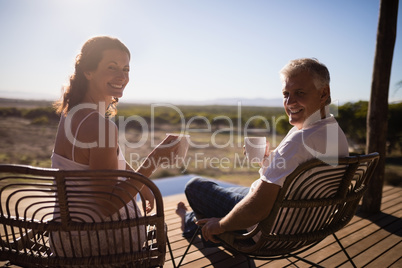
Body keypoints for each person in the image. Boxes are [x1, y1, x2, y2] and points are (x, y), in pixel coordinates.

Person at [176, 58, 349, 243]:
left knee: (195, 186)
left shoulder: (301, 140)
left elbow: (256, 209)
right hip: (305, 222)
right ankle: (191, 218)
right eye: (286, 94)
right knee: (225, 190)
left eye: (299, 93)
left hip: (268, 227)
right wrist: (269, 159)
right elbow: (294, 172)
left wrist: (220, 225)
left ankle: (193, 224)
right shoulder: (333, 132)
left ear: (324, 93)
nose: (290, 102)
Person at [51, 36, 182, 257]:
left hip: (64, 237)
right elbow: (107, 206)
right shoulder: (100, 126)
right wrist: (154, 160)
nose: (122, 76)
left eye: (126, 69)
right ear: (88, 71)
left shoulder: (70, 115)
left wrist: (143, 186)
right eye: (112, 67)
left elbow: (108, 163)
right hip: (102, 240)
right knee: (164, 229)